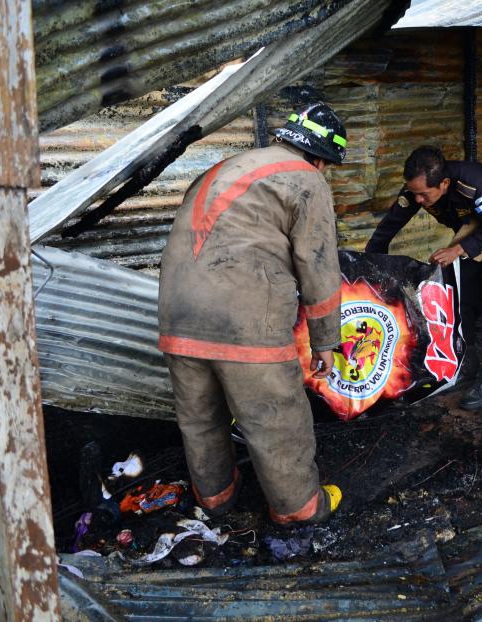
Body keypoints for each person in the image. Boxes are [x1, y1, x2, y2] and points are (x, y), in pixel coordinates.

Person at [157, 103, 348, 526]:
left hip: (176, 315)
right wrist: (326, 341)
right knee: (277, 418)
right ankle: (299, 509)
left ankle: (216, 499)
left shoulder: (224, 167)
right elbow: (318, 264)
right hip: (243, 319)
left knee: (200, 418)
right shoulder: (306, 178)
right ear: (320, 159)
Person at [365, 146, 482, 409]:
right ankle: (464, 362)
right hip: (474, 227)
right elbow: (388, 227)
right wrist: (369, 264)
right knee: (462, 296)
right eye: (414, 193)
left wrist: (457, 249)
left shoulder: (475, 184)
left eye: (423, 194)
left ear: (444, 184)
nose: (418, 200)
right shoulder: (416, 189)